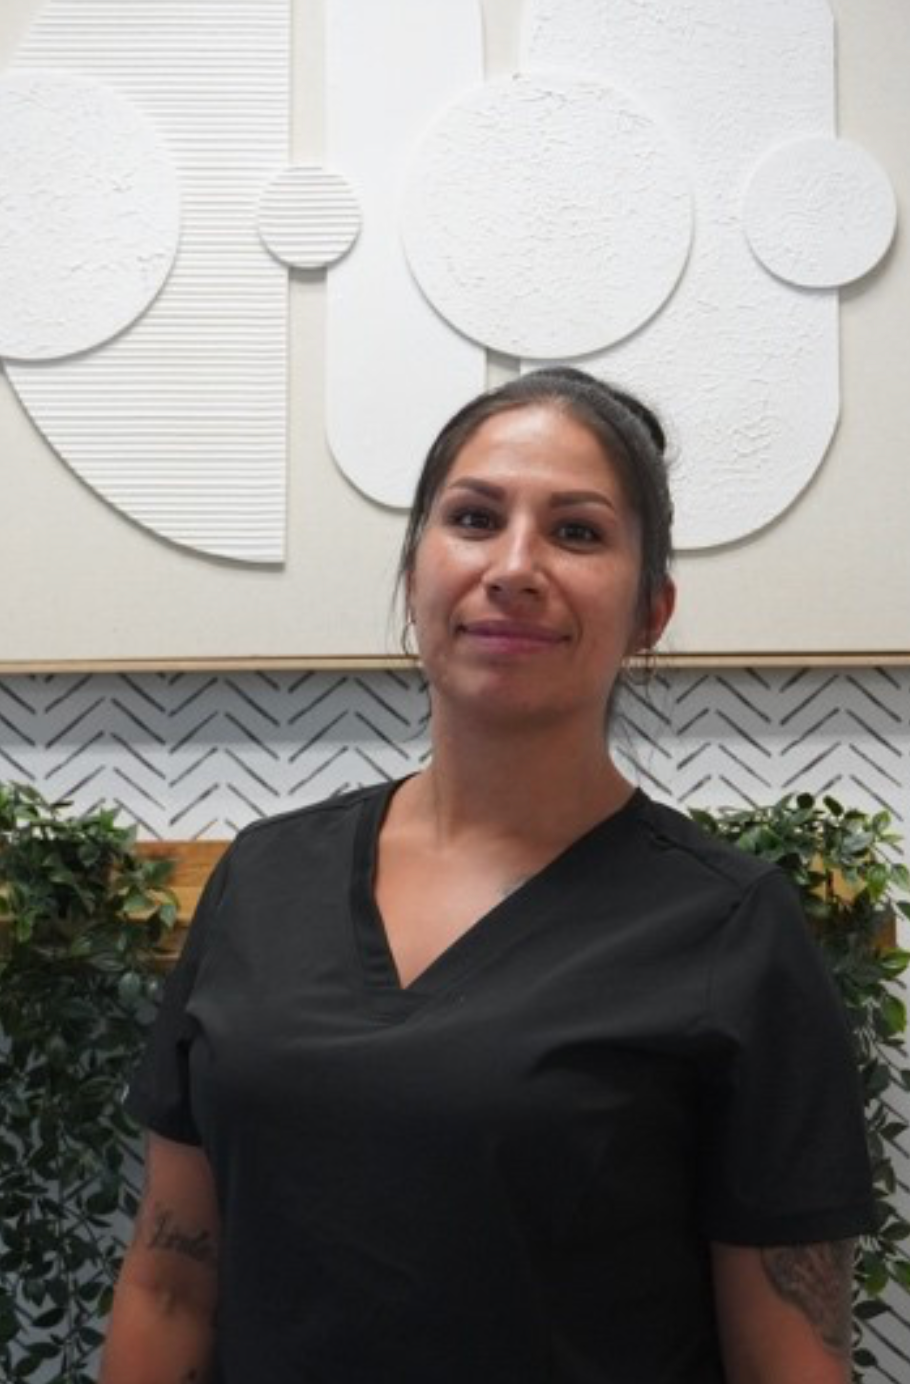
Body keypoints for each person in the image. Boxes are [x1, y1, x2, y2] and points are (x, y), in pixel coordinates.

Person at [99, 368, 874, 1384]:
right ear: (416, 573)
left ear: (651, 610)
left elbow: (788, 1358)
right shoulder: (266, 876)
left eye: (578, 532)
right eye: (473, 517)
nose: (513, 566)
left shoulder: (727, 926)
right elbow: (170, 1283)